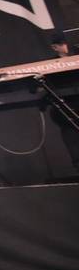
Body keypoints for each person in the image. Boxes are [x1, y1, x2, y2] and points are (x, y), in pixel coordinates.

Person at [48, 33, 79, 174]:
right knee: (70, 134)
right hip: (66, 105)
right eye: (61, 44)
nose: (65, 46)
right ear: (55, 47)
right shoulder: (51, 65)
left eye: (65, 43)